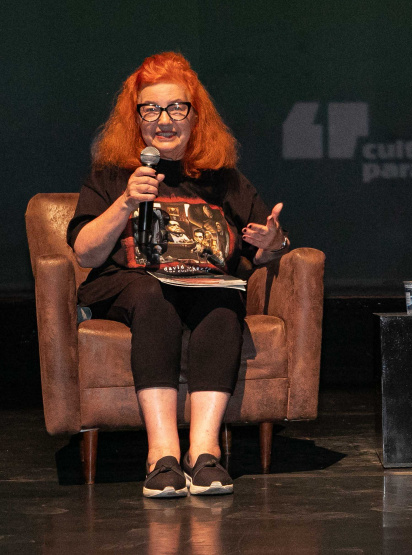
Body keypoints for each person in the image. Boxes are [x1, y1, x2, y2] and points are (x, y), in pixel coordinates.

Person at [67, 52, 290, 498]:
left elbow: (267, 244)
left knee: (223, 301)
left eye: (176, 108)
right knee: (154, 296)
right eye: (150, 109)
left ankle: (204, 453)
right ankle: (162, 454)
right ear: (136, 119)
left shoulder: (222, 179)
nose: (164, 120)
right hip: (132, 286)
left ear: (195, 116)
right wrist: (126, 202)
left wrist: (274, 243)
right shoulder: (113, 175)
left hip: (202, 283)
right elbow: (85, 251)